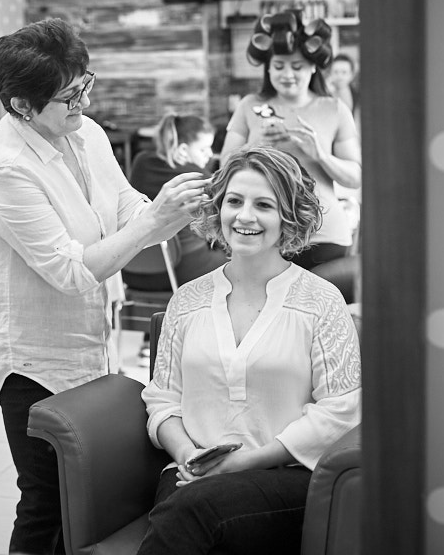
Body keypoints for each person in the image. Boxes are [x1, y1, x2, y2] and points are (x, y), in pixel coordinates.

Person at [0, 18, 207, 555]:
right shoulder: (6, 171)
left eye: (85, 85)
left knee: (83, 498)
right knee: (45, 502)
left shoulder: (85, 132)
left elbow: (124, 207)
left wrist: (176, 212)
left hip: (90, 343)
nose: (84, 102)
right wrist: (153, 223)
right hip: (32, 359)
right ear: (21, 105)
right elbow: (71, 272)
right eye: (69, 96)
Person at [136, 146, 362, 555]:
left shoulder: (321, 302)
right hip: (190, 473)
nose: (244, 216)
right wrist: (187, 455)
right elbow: (163, 399)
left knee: (189, 512)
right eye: (234, 201)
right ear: (218, 208)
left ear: (289, 217)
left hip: (286, 476)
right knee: (189, 509)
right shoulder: (186, 300)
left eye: (264, 205)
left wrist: (244, 462)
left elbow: (340, 410)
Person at [221, 10, 362, 270]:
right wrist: (255, 146)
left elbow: (355, 177)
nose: (287, 74)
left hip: (323, 235)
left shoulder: (334, 109)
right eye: (278, 66)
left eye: (297, 67)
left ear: (313, 67)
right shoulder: (249, 106)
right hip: (262, 234)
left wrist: (320, 154)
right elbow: (223, 168)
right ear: (268, 68)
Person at [126, 113, 228, 289]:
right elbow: (217, 230)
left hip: (132, 270)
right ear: (182, 150)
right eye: (204, 149)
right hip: (183, 271)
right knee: (240, 262)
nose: (210, 154)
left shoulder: (141, 163)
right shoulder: (198, 178)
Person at [327, 53, 361, 134]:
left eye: (344, 72)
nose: (340, 76)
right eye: (336, 72)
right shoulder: (325, 95)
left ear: (351, 75)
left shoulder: (358, 95)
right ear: (330, 73)